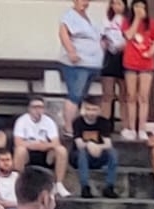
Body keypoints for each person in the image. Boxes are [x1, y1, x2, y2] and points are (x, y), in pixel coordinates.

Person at [12, 97, 72, 198]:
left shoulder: (49, 121)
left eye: (40, 107)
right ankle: (17, 183)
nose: (37, 110)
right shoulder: (21, 121)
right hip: (28, 154)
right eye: (35, 107)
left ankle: (59, 184)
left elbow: (56, 143)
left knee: (61, 150)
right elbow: (18, 142)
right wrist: (36, 145)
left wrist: (41, 145)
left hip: (46, 154)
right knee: (20, 150)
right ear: (29, 108)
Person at [58, 0, 103, 130]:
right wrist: (71, 51)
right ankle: (68, 127)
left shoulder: (89, 18)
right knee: (75, 94)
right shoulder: (69, 16)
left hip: (92, 63)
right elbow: (63, 34)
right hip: (77, 64)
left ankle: (76, 125)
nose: (85, 2)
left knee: (82, 95)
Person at [121, 0, 154, 141]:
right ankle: (132, 128)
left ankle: (142, 128)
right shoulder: (126, 22)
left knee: (143, 97)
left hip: (146, 64)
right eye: (137, 6)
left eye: (142, 7)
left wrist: (150, 52)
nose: (139, 9)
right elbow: (128, 35)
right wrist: (137, 19)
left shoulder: (152, 23)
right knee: (131, 96)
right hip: (130, 62)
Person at [72, 97, 119, 198]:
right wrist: (89, 145)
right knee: (82, 152)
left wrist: (98, 147)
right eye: (88, 109)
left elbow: (108, 144)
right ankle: (85, 187)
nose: (91, 113)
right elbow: (79, 144)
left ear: (99, 110)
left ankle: (109, 187)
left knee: (112, 153)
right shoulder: (78, 122)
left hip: (98, 153)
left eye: (94, 110)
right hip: (79, 156)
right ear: (83, 110)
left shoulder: (104, 122)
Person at [100, 0, 129, 125]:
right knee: (107, 95)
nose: (116, 7)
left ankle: (126, 125)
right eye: (114, 3)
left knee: (124, 96)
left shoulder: (128, 21)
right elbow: (101, 36)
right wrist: (104, 42)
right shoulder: (106, 20)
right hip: (109, 57)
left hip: (125, 57)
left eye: (119, 4)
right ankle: (104, 125)